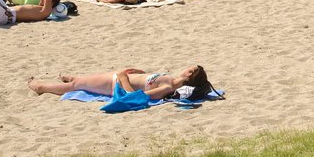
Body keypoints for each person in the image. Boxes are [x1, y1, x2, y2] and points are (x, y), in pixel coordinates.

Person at [29, 65, 214, 101]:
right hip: (117, 78)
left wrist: (124, 79)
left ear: (189, 74)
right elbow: (147, 81)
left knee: (76, 85)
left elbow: (136, 97)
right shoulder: (170, 79)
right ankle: (73, 78)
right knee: (83, 80)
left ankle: (40, 87)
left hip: (114, 85)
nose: (184, 68)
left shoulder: (167, 88)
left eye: (187, 68)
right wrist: (140, 72)